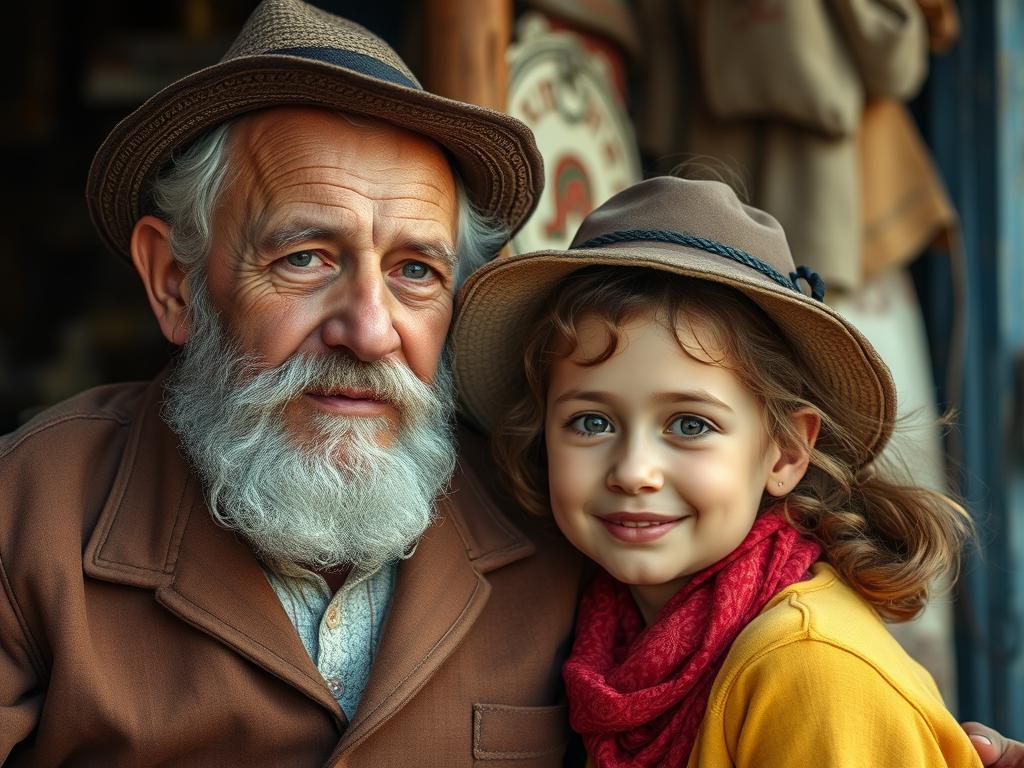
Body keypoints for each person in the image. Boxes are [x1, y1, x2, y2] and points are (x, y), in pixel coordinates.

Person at [0, 0, 582, 764]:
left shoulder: (554, 523)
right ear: (175, 282)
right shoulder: (26, 511)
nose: (371, 331)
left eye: (416, 272)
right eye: (304, 258)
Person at [451, 176, 992, 766]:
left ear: (785, 451)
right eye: (591, 423)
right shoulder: (603, 631)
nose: (634, 473)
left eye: (690, 426)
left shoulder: (809, 670)